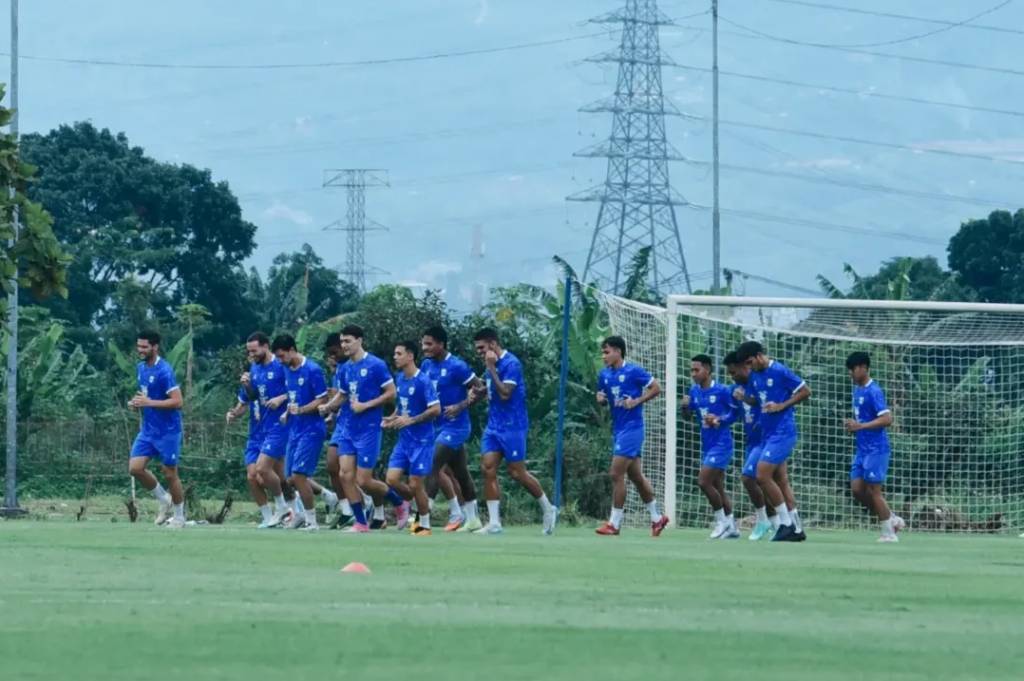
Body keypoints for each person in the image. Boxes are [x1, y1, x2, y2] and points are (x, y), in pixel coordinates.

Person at [472, 328, 555, 535]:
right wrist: (479, 391)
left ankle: (548, 508)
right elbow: (491, 388)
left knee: (517, 473)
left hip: (513, 426)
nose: (479, 353)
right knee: (487, 468)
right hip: (494, 426)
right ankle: (494, 522)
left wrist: (491, 367)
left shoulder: (511, 363)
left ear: (492, 344)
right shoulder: (491, 366)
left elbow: (506, 393)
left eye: (481, 348)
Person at [592, 336, 670, 537]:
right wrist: (600, 399)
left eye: (607, 352)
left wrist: (638, 401)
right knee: (635, 476)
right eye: (603, 352)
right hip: (619, 430)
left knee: (616, 474)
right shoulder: (604, 375)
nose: (604, 356)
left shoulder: (634, 371)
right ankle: (657, 518)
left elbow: (657, 387)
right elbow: (602, 396)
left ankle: (614, 524)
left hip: (633, 429)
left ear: (618, 351)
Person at [735, 340, 811, 542]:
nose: (749, 367)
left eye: (751, 362)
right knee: (780, 481)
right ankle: (796, 528)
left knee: (761, 475)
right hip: (767, 435)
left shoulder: (779, 371)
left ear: (760, 356)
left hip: (783, 433)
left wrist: (782, 405)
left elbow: (805, 391)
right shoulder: (754, 376)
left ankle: (785, 524)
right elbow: (756, 400)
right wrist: (743, 398)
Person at [336, 324, 400, 533]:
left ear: (359, 340)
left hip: (369, 429)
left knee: (363, 480)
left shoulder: (376, 365)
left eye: (348, 341)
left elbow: (391, 392)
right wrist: (328, 406)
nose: (344, 345)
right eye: (342, 341)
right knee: (345, 475)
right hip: (348, 428)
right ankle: (361, 522)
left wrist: (367, 405)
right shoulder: (344, 368)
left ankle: (399, 503)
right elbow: (343, 393)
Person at [420, 325, 484, 532]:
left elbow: (481, 389)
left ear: (441, 344)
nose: (425, 348)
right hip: (436, 426)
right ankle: (473, 519)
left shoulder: (457, 366)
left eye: (429, 344)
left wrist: (461, 406)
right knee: (461, 473)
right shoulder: (426, 366)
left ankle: (422, 523)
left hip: (456, 427)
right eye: (423, 343)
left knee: (432, 465)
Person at [226, 332, 292, 528]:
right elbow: (249, 399)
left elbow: (296, 391)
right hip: (256, 429)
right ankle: (267, 517)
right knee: (252, 476)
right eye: (249, 351)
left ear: (266, 346)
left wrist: (281, 398)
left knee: (265, 470)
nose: (251, 354)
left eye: (254, 351)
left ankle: (284, 508)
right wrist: (234, 412)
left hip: (277, 427)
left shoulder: (281, 366)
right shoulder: (253, 369)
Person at [128, 331, 187, 528]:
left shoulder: (165, 371)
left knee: (170, 473)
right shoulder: (141, 368)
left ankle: (179, 516)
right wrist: (137, 402)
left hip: (168, 431)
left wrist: (148, 402)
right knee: (135, 468)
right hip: (148, 430)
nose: (140, 350)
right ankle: (164, 499)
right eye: (139, 346)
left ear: (155, 347)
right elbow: (146, 396)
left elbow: (178, 401)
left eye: (144, 347)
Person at [845, 351, 905, 543]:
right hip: (862, 449)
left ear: (863, 368)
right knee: (856, 489)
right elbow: (864, 419)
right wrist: (854, 425)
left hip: (876, 449)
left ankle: (889, 533)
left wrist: (860, 426)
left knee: (873, 491)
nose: (851, 374)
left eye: (852, 370)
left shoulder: (874, 390)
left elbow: (887, 419)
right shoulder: (857, 390)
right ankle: (892, 518)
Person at [384, 341, 441, 536]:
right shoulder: (399, 378)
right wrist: (391, 419)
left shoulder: (423, 381)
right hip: (404, 441)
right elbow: (401, 408)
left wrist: (412, 420)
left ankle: (423, 524)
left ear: (410, 356)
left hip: (422, 440)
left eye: (399, 353)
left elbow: (435, 409)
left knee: (416, 483)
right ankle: (413, 503)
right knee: (391, 479)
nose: (395, 357)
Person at [272, 334, 329, 531]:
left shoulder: (312, 370)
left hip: (312, 429)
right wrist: (288, 412)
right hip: (295, 428)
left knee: (299, 476)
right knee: (288, 478)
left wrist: (302, 410)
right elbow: (293, 396)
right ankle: (302, 513)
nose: (280, 361)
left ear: (292, 350)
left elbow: (323, 399)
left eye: (281, 356)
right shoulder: (287, 370)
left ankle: (312, 521)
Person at [682, 354, 740, 539]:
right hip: (707, 444)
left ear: (707, 370)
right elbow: (687, 416)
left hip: (722, 444)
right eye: (691, 370)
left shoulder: (722, 390)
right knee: (718, 486)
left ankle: (721, 522)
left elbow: (736, 413)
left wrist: (719, 420)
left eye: (696, 370)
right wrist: (684, 407)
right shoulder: (694, 391)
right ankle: (732, 526)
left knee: (703, 482)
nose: (693, 374)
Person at [723, 351, 774, 541]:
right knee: (767, 482)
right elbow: (734, 414)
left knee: (747, 478)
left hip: (765, 439)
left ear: (745, 367)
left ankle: (763, 520)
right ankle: (779, 524)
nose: (732, 377)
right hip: (751, 442)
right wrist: (721, 420)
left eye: (734, 372)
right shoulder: (734, 389)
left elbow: (765, 405)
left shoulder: (757, 383)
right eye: (729, 374)